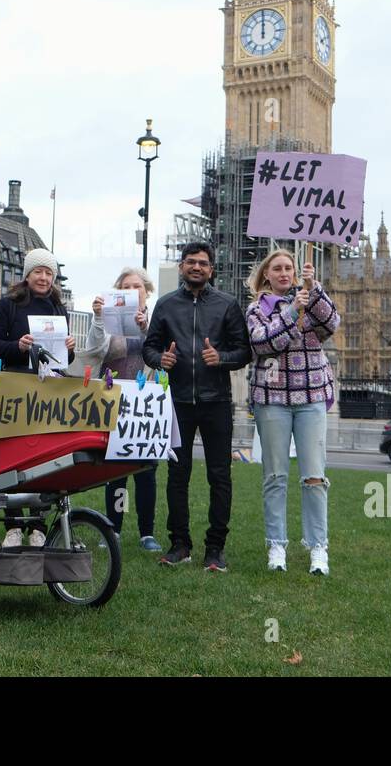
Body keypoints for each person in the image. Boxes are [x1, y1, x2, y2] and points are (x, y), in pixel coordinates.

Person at [143, 241, 251, 572]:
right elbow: (150, 348)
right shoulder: (164, 305)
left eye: (203, 263)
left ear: (211, 270)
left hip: (216, 402)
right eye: (191, 262)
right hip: (176, 402)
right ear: (181, 267)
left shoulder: (227, 305)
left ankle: (215, 549)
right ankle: (180, 545)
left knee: (220, 476)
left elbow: (243, 351)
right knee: (178, 474)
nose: (197, 267)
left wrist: (221, 358)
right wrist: (161, 359)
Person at [245, 250, 339, 576]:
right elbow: (264, 343)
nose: (284, 273)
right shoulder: (257, 310)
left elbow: (331, 323)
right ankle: (276, 545)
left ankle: (317, 547)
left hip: (311, 396)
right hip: (272, 399)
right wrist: (291, 311)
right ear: (266, 275)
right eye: (277, 269)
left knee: (314, 477)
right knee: (275, 476)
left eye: (289, 268)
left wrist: (314, 290)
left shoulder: (308, 299)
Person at [0, 247, 77, 548]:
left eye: (49, 272)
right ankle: (13, 525)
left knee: (43, 461)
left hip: (46, 394)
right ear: (27, 274)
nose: (44, 277)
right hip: (14, 391)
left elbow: (63, 359)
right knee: (11, 460)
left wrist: (70, 347)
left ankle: (37, 525)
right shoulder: (9, 304)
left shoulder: (57, 308)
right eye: (38, 271)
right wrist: (18, 346)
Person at [82, 267, 161, 551]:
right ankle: (114, 527)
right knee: (116, 470)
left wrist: (145, 328)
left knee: (146, 470)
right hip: (113, 402)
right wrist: (98, 318)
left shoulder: (155, 321)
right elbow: (93, 349)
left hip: (146, 405)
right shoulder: (108, 321)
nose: (131, 290)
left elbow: (161, 353)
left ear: (146, 291)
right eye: (125, 286)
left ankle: (146, 532)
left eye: (136, 286)